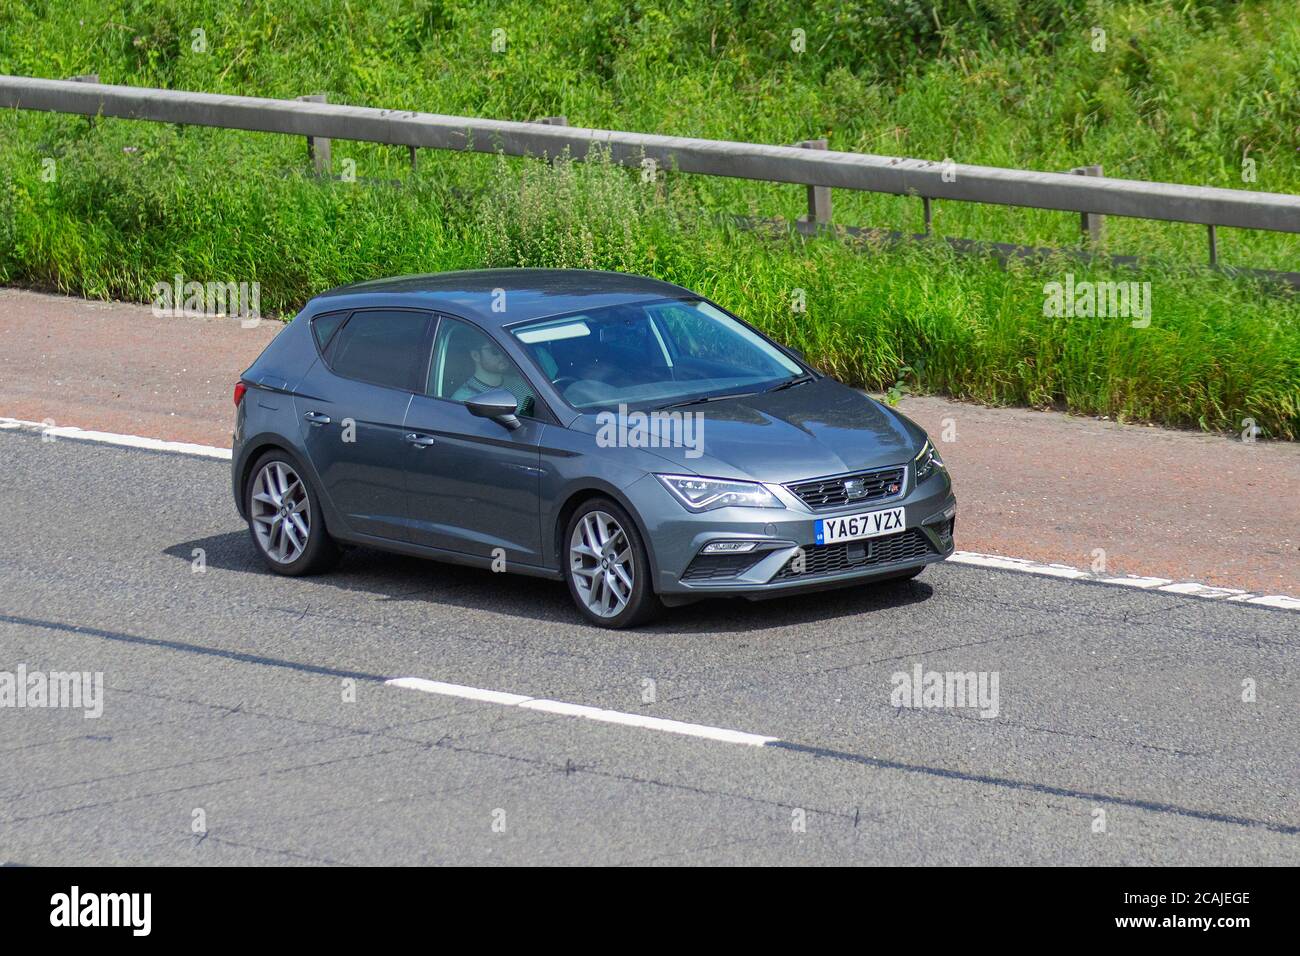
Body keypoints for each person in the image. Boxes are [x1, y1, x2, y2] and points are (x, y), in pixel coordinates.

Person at [451, 338, 534, 415]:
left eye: (504, 349)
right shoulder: (463, 399)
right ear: (475, 355)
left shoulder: (522, 384)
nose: (502, 355)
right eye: (494, 350)